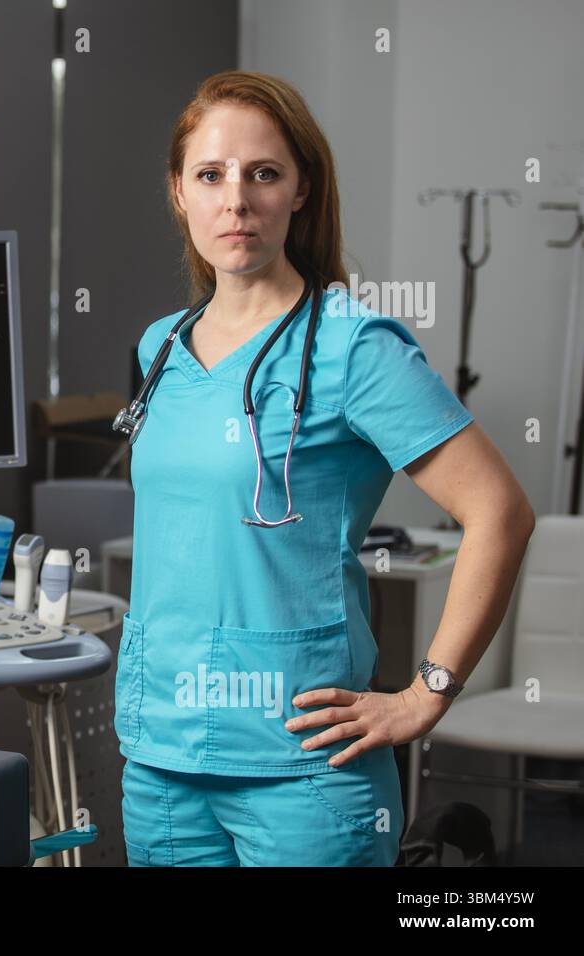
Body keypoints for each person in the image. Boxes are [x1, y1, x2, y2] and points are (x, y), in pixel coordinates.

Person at [117, 70, 535, 867]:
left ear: (300, 189)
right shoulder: (160, 345)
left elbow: (500, 512)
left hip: (303, 766)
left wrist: (425, 696)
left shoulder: (354, 345)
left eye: (263, 173)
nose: (236, 199)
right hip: (162, 756)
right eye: (211, 175)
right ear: (179, 192)